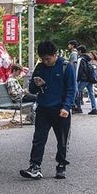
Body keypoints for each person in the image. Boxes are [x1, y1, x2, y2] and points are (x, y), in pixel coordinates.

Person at [20, 40, 77, 180]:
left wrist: (66, 107)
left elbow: (71, 89)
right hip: (43, 109)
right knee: (38, 139)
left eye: (48, 59)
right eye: (42, 59)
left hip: (60, 110)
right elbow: (32, 90)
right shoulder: (40, 68)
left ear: (55, 54)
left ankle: (61, 165)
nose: (45, 61)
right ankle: (34, 166)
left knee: (62, 140)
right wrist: (36, 84)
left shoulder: (66, 67)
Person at [73, 45, 97, 115]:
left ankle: (76, 107)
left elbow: (78, 70)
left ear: (80, 51)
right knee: (91, 93)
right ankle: (94, 108)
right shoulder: (88, 59)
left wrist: (76, 79)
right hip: (90, 78)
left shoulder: (80, 59)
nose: (77, 53)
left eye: (78, 51)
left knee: (76, 92)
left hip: (84, 79)